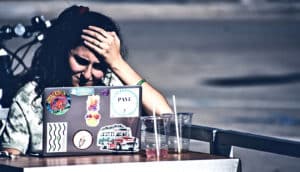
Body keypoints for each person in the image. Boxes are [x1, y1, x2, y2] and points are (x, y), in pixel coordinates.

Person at [0, 5, 173, 155]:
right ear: (62, 53)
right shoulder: (31, 97)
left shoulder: (114, 85)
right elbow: (12, 158)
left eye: (99, 66)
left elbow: (166, 119)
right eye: (81, 61)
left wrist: (118, 63)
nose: (88, 75)